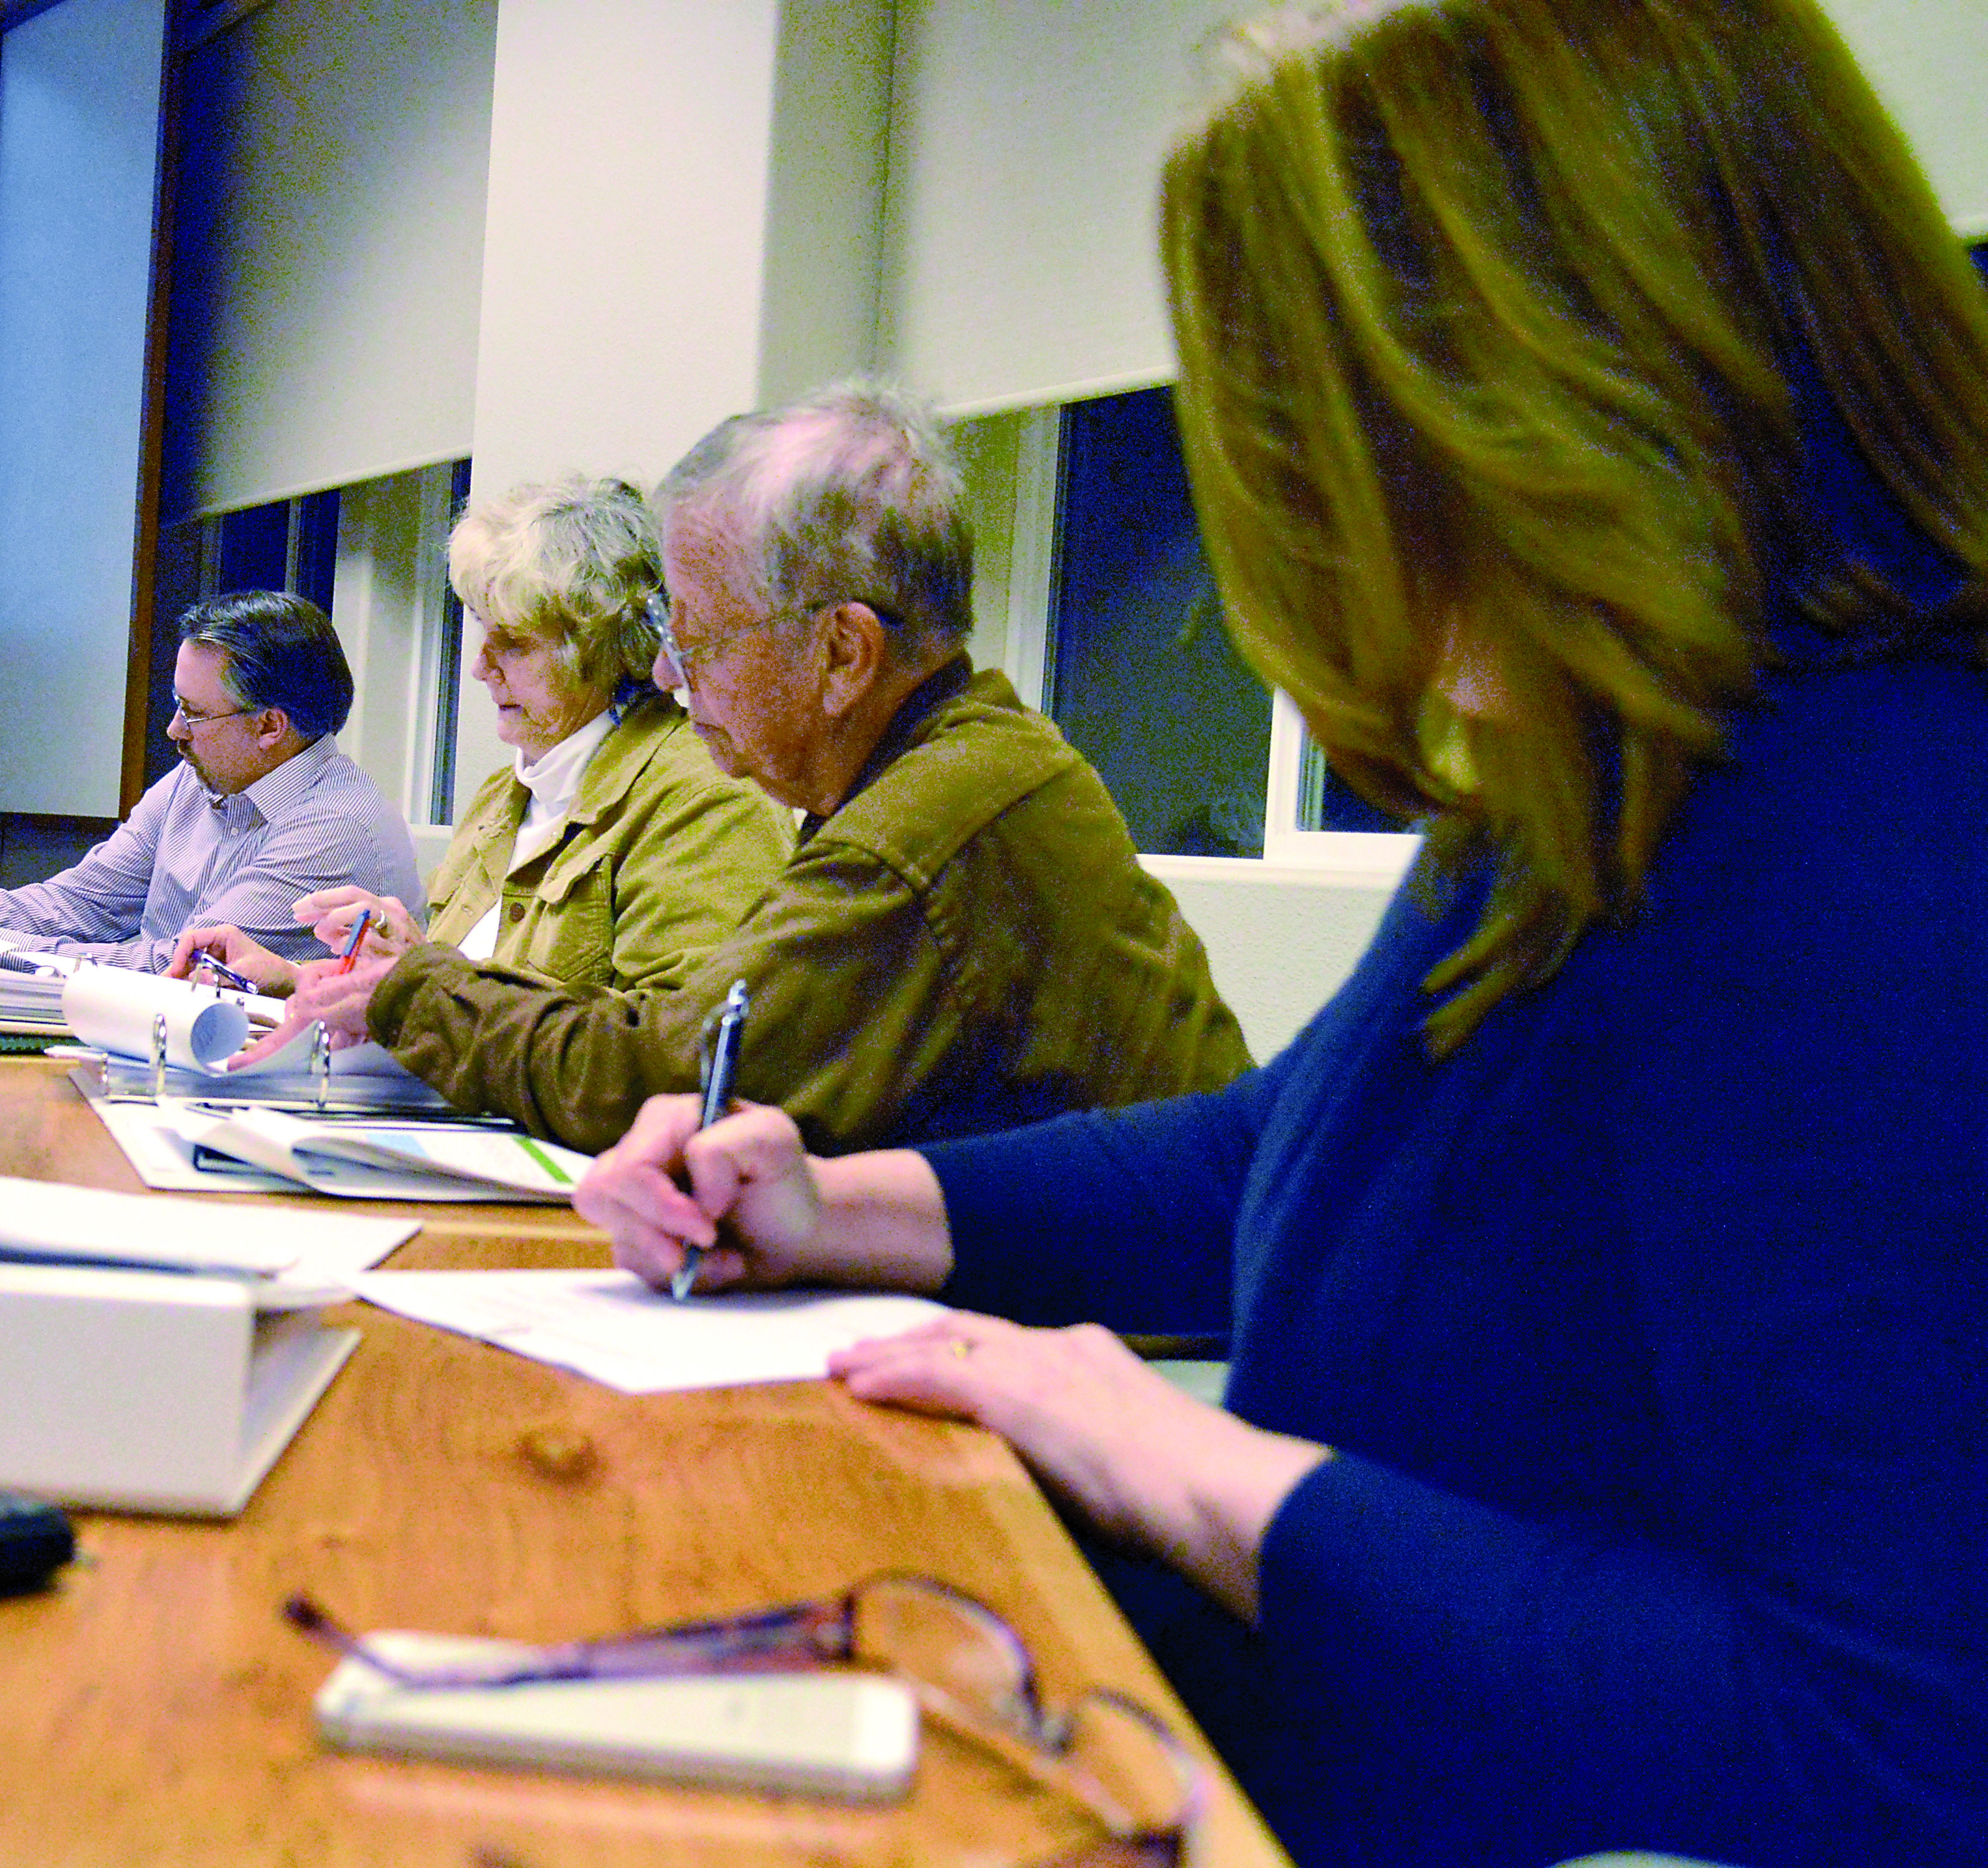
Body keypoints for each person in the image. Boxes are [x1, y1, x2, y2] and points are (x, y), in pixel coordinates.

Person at [579, 2, 1988, 1863]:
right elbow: (1299, 1150)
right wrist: (853, 1208)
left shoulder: (1875, 827)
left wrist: (1174, 1456)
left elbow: (1876, 1742)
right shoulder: (1597, 742)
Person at [209, 386, 1248, 1154]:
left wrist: (418, 993)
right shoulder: (949, 769)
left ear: (841, 655)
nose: (662, 672)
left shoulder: (917, 833)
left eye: (699, 642)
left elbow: (665, 1072)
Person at [164, 476, 788, 1012]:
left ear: (603, 649)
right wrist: (292, 982)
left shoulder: (706, 803)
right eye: (483, 633)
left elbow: (675, 1051)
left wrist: (431, 984)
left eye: (513, 642)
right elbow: (449, 1011)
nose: (481, 667)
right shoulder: (506, 796)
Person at [0, 590, 419, 968]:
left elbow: (174, 966)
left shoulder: (338, 829)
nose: (175, 730)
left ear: (272, 725)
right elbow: (74, 905)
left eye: (195, 713)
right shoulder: (192, 784)